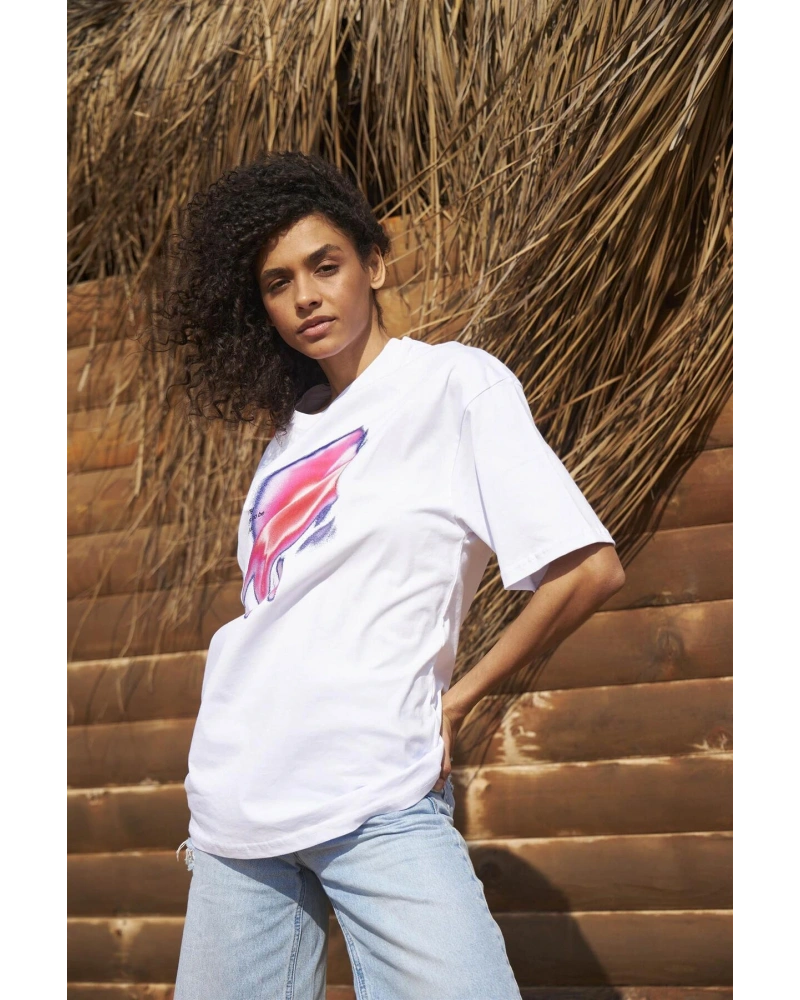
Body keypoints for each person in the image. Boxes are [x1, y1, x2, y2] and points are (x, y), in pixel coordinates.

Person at [164, 150, 625, 1000]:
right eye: (277, 283)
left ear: (373, 264)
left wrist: (458, 698)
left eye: (325, 265)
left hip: (377, 787)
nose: (305, 297)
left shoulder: (454, 384)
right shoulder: (283, 445)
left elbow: (588, 569)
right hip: (239, 802)